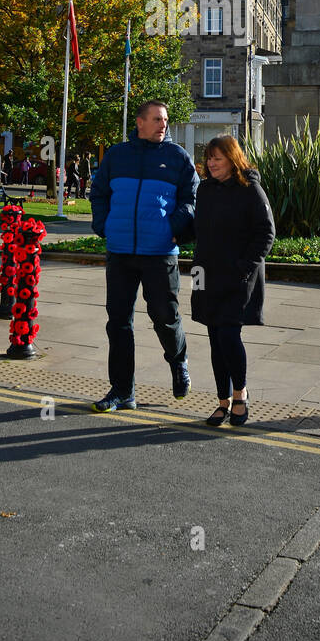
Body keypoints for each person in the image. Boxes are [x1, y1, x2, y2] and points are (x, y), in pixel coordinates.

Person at [89, 101, 198, 412]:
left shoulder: (177, 157)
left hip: (159, 252)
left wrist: (174, 227)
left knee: (165, 316)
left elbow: (192, 198)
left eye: (165, 119)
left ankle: (178, 360)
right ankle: (122, 390)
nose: (163, 124)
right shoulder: (117, 155)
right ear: (140, 122)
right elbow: (99, 193)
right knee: (118, 323)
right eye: (157, 119)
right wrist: (104, 225)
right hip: (120, 252)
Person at [191, 136, 275, 428]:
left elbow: (266, 233)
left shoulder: (250, 189)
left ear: (232, 159)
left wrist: (243, 268)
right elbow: (200, 229)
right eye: (209, 158)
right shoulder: (205, 189)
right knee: (215, 338)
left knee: (228, 335)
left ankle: (240, 394)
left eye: (218, 158)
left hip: (238, 277)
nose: (211, 163)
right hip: (206, 274)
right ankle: (222, 401)